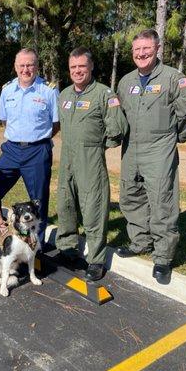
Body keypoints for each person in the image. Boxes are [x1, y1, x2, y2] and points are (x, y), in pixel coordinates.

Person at [116, 29, 186, 282]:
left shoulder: (173, 78)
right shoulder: (126, 81)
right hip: (131, 149)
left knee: (162, 202)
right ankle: (140, 242)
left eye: (146, 49)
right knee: (131, 196)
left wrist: (174, 138)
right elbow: (118, 116)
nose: (141, 54)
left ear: (157, 49)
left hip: (159, 150)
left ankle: (163, 258)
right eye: (137, 50)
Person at [55, 47, 128, 281]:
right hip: (67, 155)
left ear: (91, 67)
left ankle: (96, 260)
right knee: (65, 203)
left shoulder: (104, 94)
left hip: (91, 157)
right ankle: (67, 249)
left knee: (93, 207)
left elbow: (118, 128)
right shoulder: (64, 94)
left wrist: (97, 146)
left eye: (82, 67)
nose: (77, 71)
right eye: (73, 67)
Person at [0, 48, 59, 249]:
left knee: (38, 201)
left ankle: (37, 248)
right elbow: (4, 120)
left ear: (37, 66)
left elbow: (56, 123)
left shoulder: (49, 90)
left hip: (37, 151)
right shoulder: (7, 90)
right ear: (15, 67)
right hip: (11, 150)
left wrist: (36, 139)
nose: (26, 69)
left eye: (30, 65)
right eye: (22, 65)